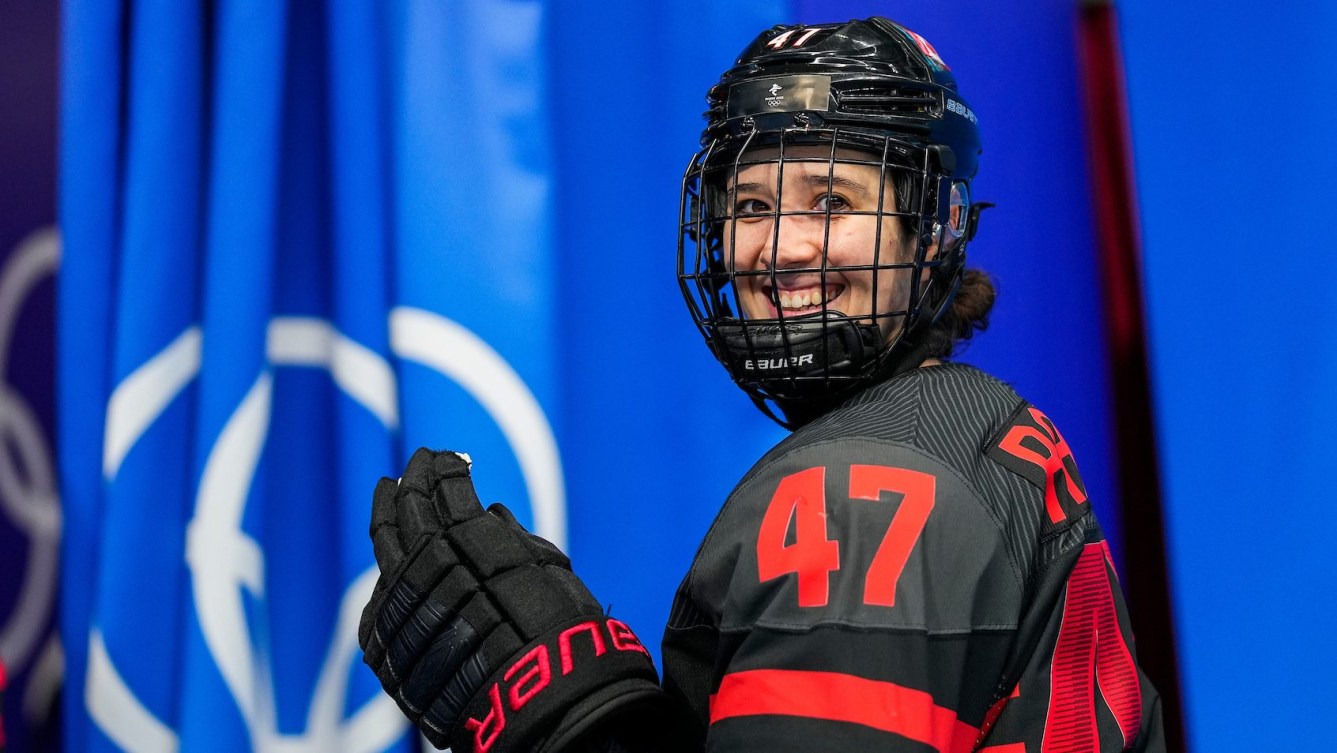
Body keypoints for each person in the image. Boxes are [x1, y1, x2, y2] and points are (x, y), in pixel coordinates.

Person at [359, 17, 1166, 753]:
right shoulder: (986, 423)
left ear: (930, 229)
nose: (778, 249)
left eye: (830, 201)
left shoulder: (855, 491)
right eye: (750, 204)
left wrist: (570, 737)